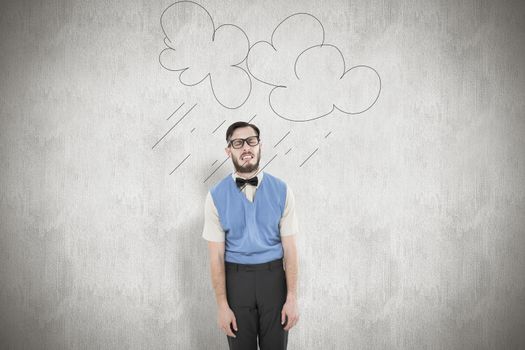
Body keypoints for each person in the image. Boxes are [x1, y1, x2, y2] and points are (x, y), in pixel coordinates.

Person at [202, 121, 300, 350]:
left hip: (274, 280)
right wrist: (222, 306)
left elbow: (291, 250)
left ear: (260, 146)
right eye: (238, 143)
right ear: (229, 151)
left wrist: (292, 298)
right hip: (237, 283)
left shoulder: (283, 190)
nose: (246, 147)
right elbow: (216, 258)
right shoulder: (215, 196)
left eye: (251, 141)